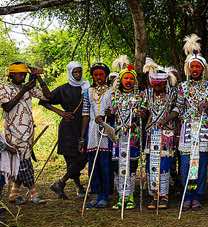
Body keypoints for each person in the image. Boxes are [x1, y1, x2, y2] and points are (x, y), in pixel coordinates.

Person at [164, 34, 208, 211]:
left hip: (202, 128)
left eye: (198, 67)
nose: (195, 69)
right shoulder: (182, 87)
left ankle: (198, 196)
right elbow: (178, 107)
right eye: (192, 66)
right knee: (186, 163)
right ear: (188, 68)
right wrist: (167, 118)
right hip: (187, 130)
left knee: (201, 164)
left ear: (203, 69)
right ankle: (187, 195)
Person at [0, 62, 51, 204]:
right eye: (20, 74)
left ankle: (13, 195)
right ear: (11, 74)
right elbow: (7, 106)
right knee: (24, 163)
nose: (23, 76)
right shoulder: (4, 87)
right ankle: (34, 194)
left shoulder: (28, 88)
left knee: (20, 162)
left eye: (25, 74)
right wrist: (23, 91)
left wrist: (38, 78)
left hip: (28, 133)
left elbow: (49, 96)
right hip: (13, 132)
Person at [45, 61, 90, 199]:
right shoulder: (63, 89)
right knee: (71, 158)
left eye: (79, 71)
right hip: (68, 126)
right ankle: (78, 187)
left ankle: (61, 182)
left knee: (83, 156)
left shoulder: (86, 87)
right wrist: (60, 112)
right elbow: (44, 100)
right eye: (75, 72)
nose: (78, 74)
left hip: (83, 125)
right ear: (70, 73)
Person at [107, 56, 147, 210]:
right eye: (126, 78)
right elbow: (111, 113)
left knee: (131, 167)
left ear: (135, 81)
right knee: (118, 166)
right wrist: (108, 113)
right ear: (121, 80)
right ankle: (120, 196)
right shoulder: (114, 95)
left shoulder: (140, 96)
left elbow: (143, 113)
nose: (128, 81)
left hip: (133, 136)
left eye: (131, 78)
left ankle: (130, 197)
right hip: (118, 137)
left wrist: (140, 115)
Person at [143, 58, 177, 210]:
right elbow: (143, 110)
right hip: (151, 133)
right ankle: (154, 195)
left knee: (164, 165)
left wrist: (166, 119)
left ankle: (164, 196)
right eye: (155, 83)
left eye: (160, 84)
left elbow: (177, 109)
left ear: (165, 82)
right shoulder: (146, 94)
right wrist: (140, 112)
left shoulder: (173, 93)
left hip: (167, 134)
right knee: (151, 164)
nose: (157, 86)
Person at [82, 63, 114, 208]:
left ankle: (105, 195)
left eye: (101, 74)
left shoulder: (113, 91)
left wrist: (110, 113)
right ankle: (95, 193)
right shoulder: (88, 92)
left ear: (106, 75)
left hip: (107, 130)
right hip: (92, 130)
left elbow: (115, 110)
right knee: (93, 164)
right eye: (96, 75)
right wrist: (83, 136)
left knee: (105, 164)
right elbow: (85, 114)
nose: (99, 77)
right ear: (92, 76)